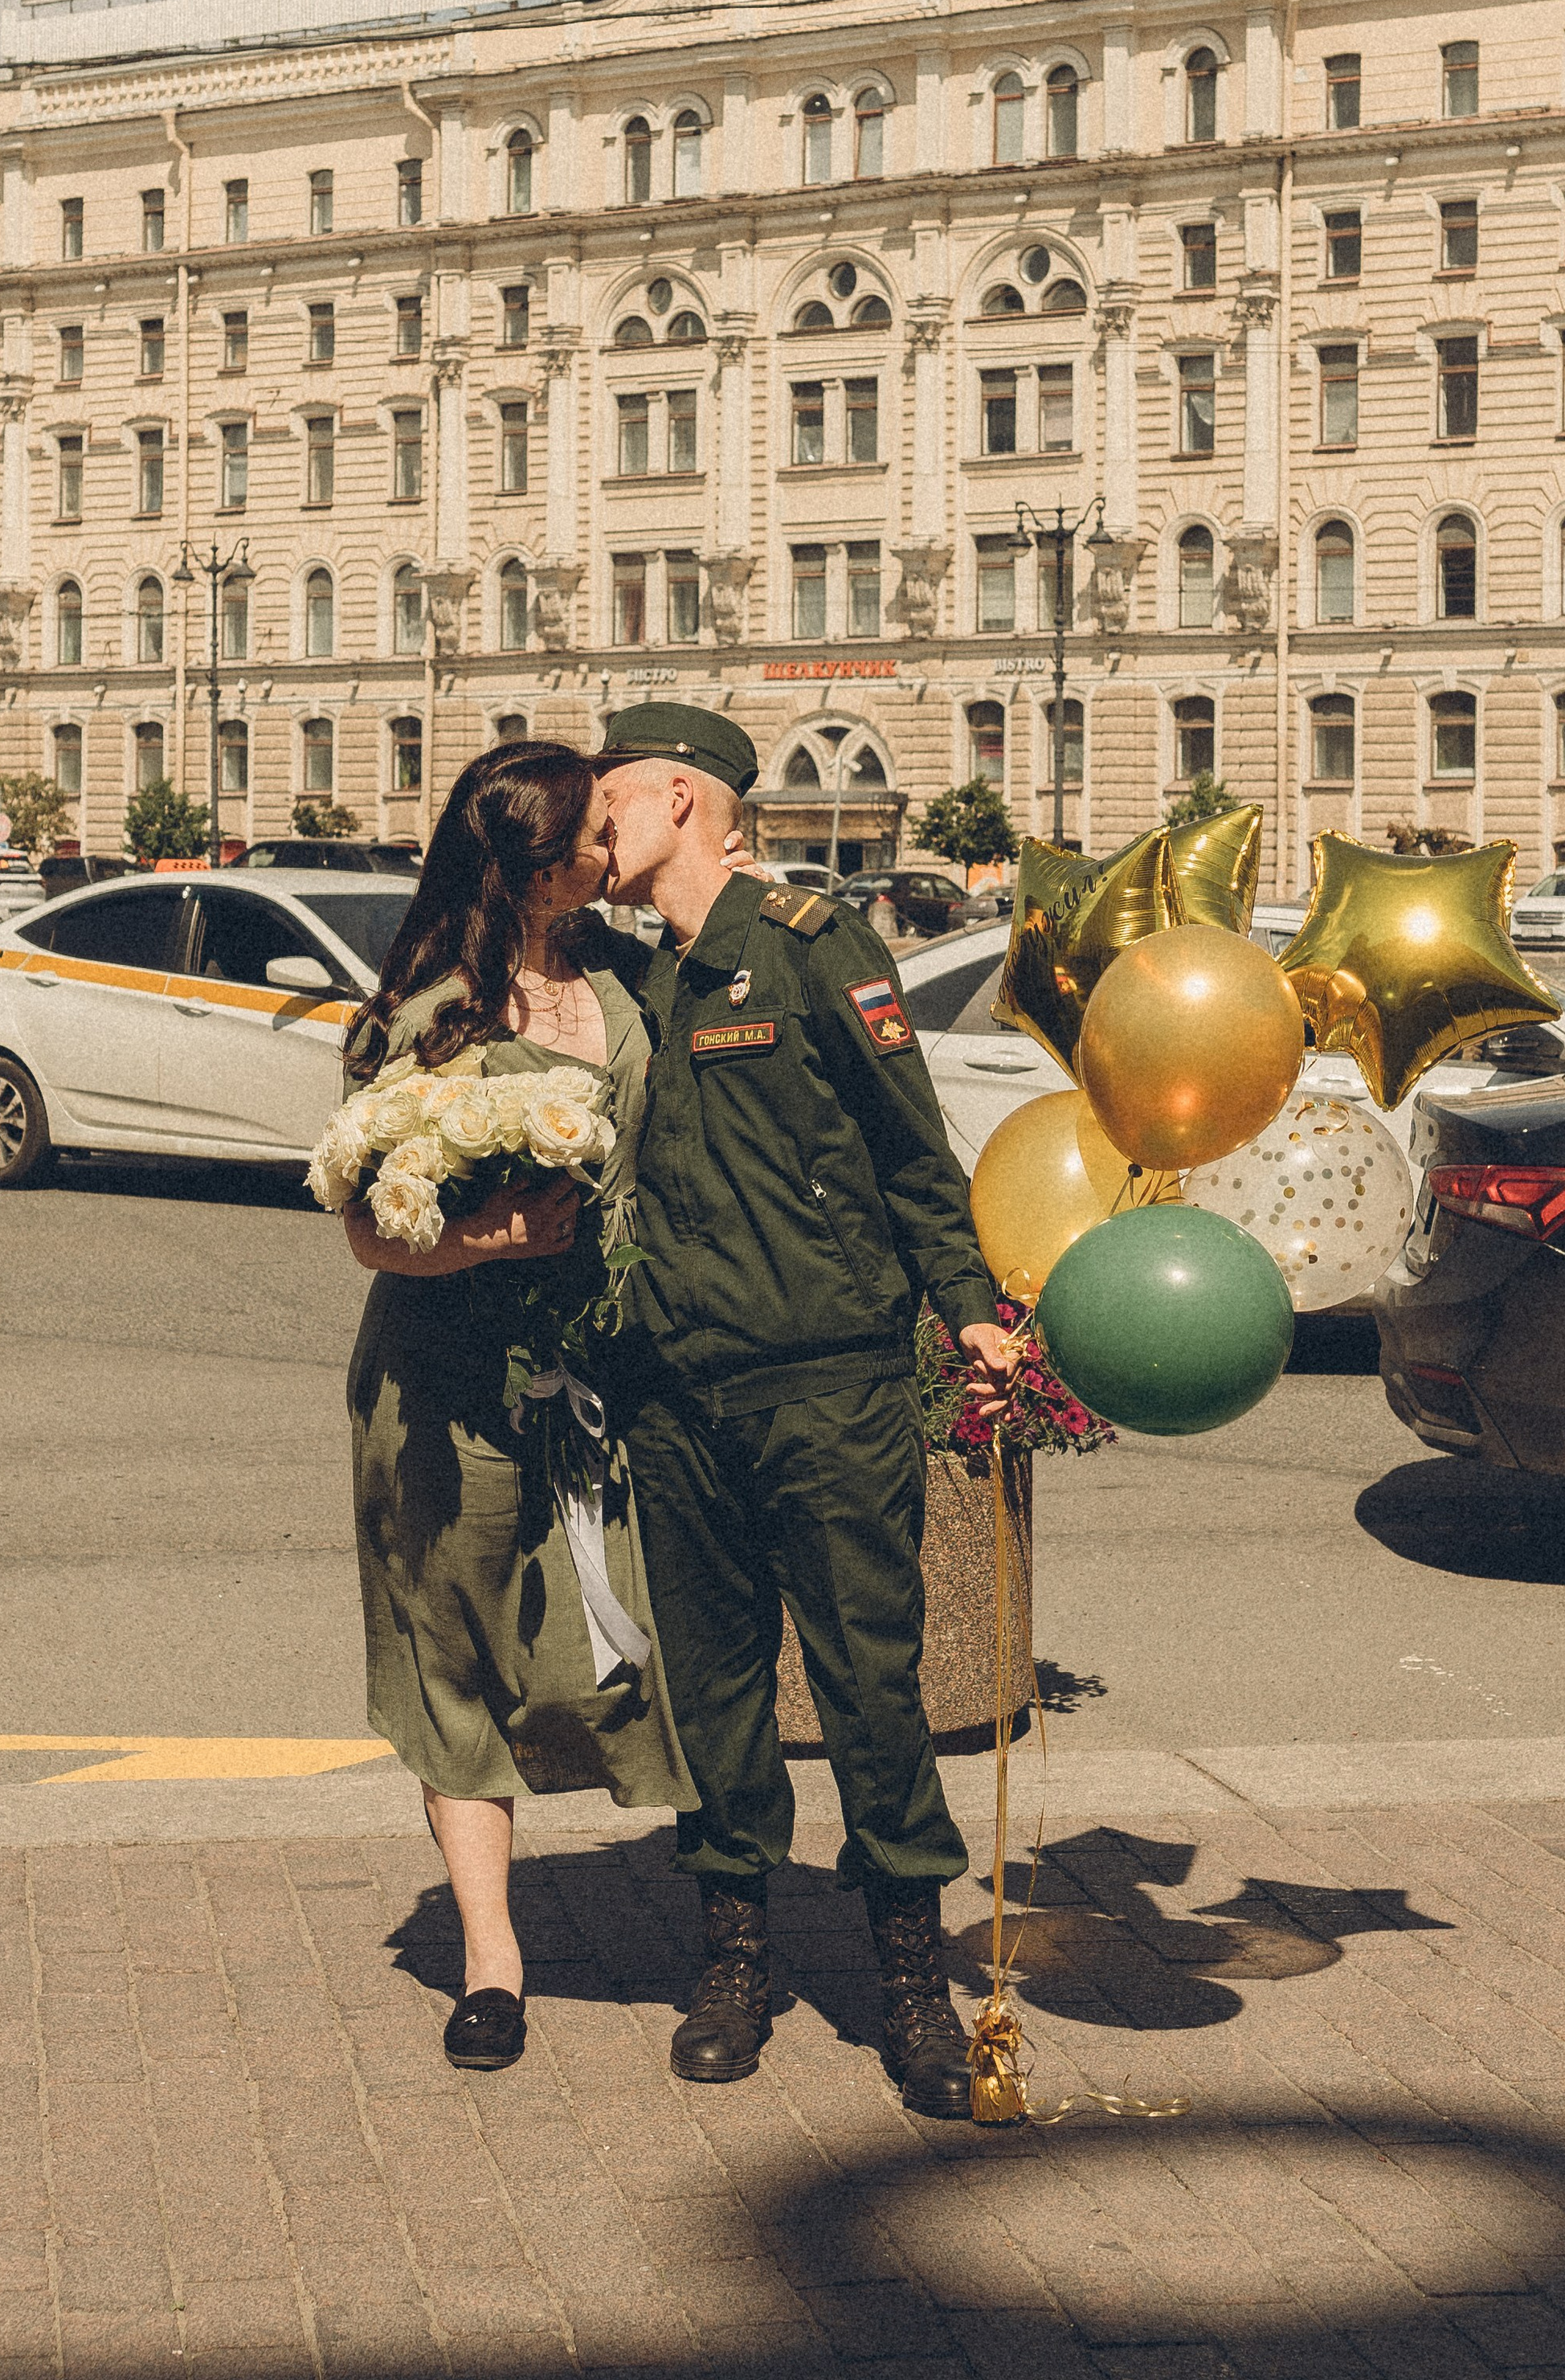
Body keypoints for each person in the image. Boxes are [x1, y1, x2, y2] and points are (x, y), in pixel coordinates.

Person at [594, 702, 1017, 2120]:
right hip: (673, 1391)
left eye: (611, 803)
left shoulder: (812, 945)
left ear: (683, 800)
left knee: (869, 1688)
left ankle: (911, 1976)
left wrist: (968, 1308)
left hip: (826, 1383)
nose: (596, 831)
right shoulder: (623, 976)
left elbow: (912, 1153)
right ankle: (734, 1961)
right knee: (713, 1694)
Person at [340, 740, 695, 2075]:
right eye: (594, 834)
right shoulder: (427, 1013)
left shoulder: (623, 977)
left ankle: (723, 1905)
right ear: (536, 867)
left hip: (607, 1366)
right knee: (454, 1661)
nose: (614, 848)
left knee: (625, 1644)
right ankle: (492, 1959)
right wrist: (486, 1241)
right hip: (449, 1384)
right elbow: (367, 1229)